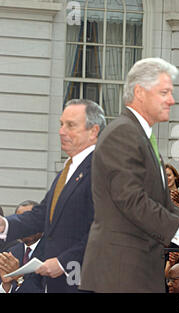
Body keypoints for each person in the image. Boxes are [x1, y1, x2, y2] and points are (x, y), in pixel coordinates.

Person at [80, 57, 179, 293]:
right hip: (121, 272)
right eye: (164, 92)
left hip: (137, 270)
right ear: (140, 92)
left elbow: (163, 204)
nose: (171, 100)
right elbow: (132, 201)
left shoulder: (139, 136)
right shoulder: (122, 134)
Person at [0, 99, 105, 293]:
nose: (61, 131)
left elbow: (105, 228)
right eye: (61, 124)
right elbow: (42, 214)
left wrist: (63, 262)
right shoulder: (69, 168)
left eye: (70, 125)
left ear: (94, 131)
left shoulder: (103, 168)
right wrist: (6, 225)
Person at [0, 200, 45, 293]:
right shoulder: (11, 252)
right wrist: (6, 285)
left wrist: (19, 278)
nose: (26, 228)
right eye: (22, 224)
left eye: (29, 222)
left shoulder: (51, 253)